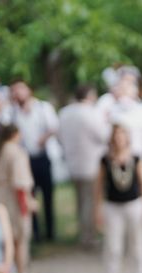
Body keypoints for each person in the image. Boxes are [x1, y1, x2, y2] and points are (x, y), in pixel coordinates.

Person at [95, 125, 142, 273]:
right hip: (113, 206)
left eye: (122, 135)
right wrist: (98, 209)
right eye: (116, 135)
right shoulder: (106, 160)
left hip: (134, 203)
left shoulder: (135, 157)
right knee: (113, 246)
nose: (119, 139)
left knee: (138, 242)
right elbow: (99, 186)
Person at [58, 85, 109, 249]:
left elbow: (59, 136)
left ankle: (82, 232)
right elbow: (103, 136)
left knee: (80, 199)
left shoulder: (65, 113)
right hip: (91, 163)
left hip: (72, 162)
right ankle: (89, 236)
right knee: (90, 201)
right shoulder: (92, 113)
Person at [9, 79, 58, 242]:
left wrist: (43, 139)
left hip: (42, 156)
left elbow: (53, 127)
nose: (18, 94)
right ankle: (36, 231)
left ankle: (51, 231)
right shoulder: (13, 112)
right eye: (15, 91)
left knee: (48, 195)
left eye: (20, 90)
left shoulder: (43, 108)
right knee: (30, 195)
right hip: (26, 159)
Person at [0, 126, 35, 273]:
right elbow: (20, 183)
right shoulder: (15, 152)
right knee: (18, 239)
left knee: (0, 239)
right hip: (11, 199)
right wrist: (26, 204)